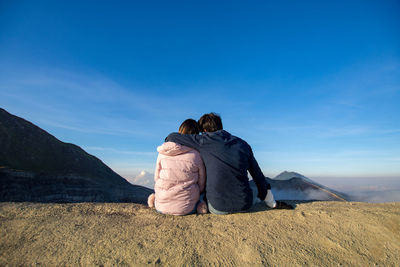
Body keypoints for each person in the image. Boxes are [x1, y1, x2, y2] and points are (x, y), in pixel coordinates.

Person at [165, 113, 277, 215]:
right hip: (245, 204)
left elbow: (171, 137)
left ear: (204, 130)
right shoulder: (243, 144)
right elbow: (258, 175)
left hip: (218, 207)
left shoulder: (204, 140)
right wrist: (270, 201)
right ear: (221, 126)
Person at [147, 119, 208, 215]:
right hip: (187, 208)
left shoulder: (163, 152)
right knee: (202, 194)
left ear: (180, 131)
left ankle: (157, 199)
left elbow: (156, 178)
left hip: (161, 206)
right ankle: (200, 206)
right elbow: (201, 184)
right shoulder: (196, 155)